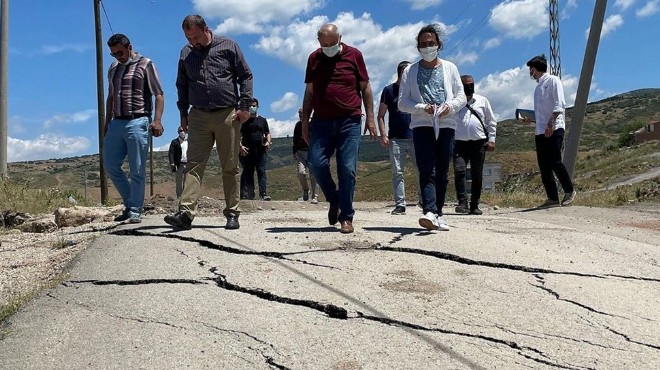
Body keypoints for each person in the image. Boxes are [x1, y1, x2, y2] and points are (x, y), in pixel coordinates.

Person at [164, 14, 253, 231]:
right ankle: (185, 214)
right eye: (188, 38)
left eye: (195, 37)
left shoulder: (228, 46)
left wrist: (244, 107)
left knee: (229, 166)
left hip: (227, 114)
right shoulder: (186, 53)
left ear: (206, 30)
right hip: (198, 115)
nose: (193, 42)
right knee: (193, 165)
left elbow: (246, 76)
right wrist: (183, 115)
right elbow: (181, 86)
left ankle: (232, 213)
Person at [302, 23, 377, 234]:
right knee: (315, 163)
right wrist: (305, 122)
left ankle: (346, 217)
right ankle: (334, 199)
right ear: (319, 42)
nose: (329, 47)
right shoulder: (314, 59)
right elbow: (309, 92)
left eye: (332, 43)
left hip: (349, 120)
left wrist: (370, 118)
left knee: (347, 169)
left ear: (340, 38)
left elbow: (366, 88)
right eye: (324, 44)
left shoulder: (354, 55)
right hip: (322, 121)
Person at [398, 23, 467, 231]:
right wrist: (422, 108)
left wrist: (449, 107)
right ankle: (429, 210)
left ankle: (438, 213)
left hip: (446, 125)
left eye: (431, 43)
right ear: (418, 47)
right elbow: (402, 102)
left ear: (439, 45)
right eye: (423, 44)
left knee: (443, 170)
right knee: (427, 168)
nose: (427, 48)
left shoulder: (450, 68)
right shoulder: (410, 71)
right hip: (422, 125)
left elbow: (461, 96)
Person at [104, 33, 164, 224]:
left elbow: (159, 94)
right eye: (113, 54)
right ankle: (131, 204)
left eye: (120, 52)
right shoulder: (113, 68)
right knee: (111, 165)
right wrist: (106, 122)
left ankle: (135, 210)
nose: (117, 57)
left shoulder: (146, 64)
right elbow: (111, 97)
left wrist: (157, 121)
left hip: (138, 121)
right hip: (117, 122)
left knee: (137, 168)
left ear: (129, 47)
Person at [526, 54, 576, 208]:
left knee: (554, 160)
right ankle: (552, 198)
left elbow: (560, 103)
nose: (531, 73)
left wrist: (551, 123)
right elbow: (541, 112)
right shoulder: (537, 88)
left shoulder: (553, 80)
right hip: (540, 130)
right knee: (544, 165)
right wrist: (530, 119)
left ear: (534, 69)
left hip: (554, 127)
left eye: (531, 70)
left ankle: (569, 190)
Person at [377, 61, 417, 216]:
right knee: (397, 172)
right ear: (400, 73)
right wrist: (383, 134)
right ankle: (400, 204)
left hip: (415, 136)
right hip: (396, 138)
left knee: (421, 170)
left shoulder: (415, 91)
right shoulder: (389, 90)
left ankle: (424, 201)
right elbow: (381, 115)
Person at [453, 74, 497, 215]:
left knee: (477, 175)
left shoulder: (482, 101)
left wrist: (492, 140)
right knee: (459, 171)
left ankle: (474, 205)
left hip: (478, 143)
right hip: (460, 143)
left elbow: (491, 121)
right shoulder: (454, 102)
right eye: (466, 85)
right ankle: (462, 202)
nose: (469, 87)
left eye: (471, 84)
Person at [239, 98, 272, 201]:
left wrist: (268, 142)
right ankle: (250, 194)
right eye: (250, 106)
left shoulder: (263, 120)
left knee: (261, 171)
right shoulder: (244, 121)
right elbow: (237, 134)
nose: (252, 107)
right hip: (247, 151)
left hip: (261, 150)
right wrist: (240, 146)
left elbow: (267, 133)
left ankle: (263, 194)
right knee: (248, 172)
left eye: (254, 105)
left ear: (258, 107)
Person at [292, 108, 318, 204]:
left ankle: (315, 196)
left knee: (313, 175)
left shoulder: (313, 124)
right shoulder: (298, 125)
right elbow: (295, 139)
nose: (300, 116)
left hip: (312, 152)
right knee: (301, 172)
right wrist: (294, 152)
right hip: (300, 152)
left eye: (302, 114)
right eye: (299, 114)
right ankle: (305, 189)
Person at [168, 126, 188, 198]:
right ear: (178, 132)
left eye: (184, 130)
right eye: (180, 131)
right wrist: (172, 163)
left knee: (187, 181)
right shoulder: (174, 142)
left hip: (188, 163)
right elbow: (171, 153)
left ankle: (186, 196)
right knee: (179, 180)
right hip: (179, 164)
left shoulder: (190, 141)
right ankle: (179, 196)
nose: (182, 132)